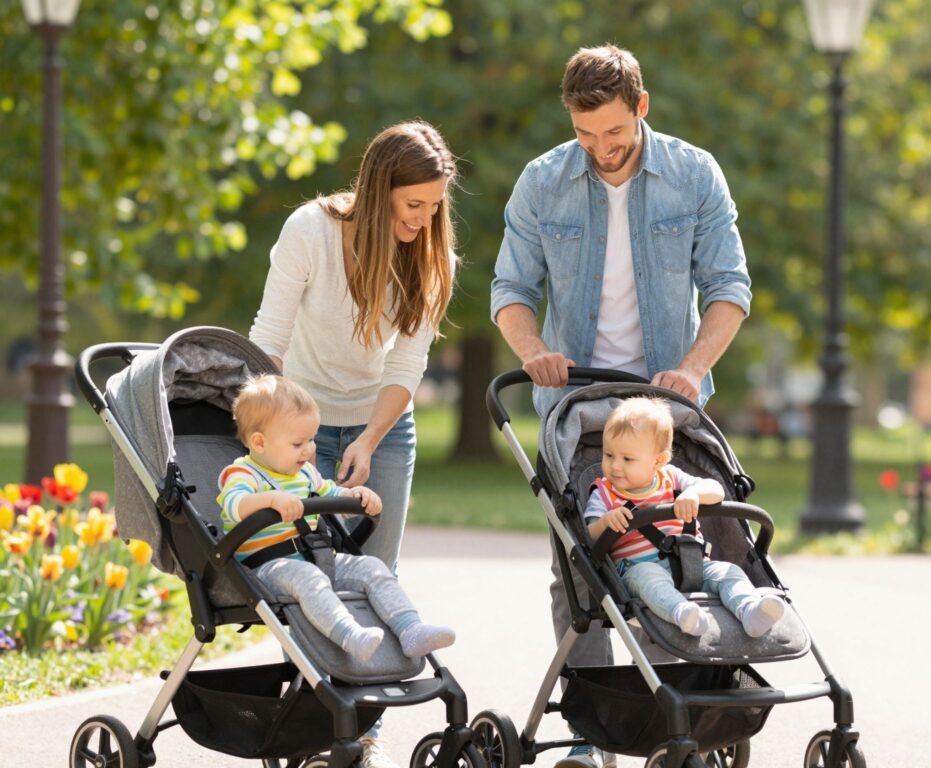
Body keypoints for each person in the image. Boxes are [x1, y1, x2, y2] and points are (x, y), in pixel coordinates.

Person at [489, 45, 752, 768]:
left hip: (667, 407)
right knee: (579, 567)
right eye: (584, 135)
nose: (601, 150)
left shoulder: (693, 174)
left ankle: (678, 713)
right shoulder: (543, 182)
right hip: (575, 406)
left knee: (681, 552)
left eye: (613, 133)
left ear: (641, 107)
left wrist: (694, 367)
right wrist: (531, 346)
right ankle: (591, 726)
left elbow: (731, 286)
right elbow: (510, 289)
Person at [249, 120, 458, 768]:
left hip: (382, 426)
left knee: (374, 575)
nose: (424, 220)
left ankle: (361, 730)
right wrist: (283, 432)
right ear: (377, 193)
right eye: (412, 204)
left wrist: (369, 437)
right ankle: (312, 714)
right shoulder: (309, 232)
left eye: (434, 205)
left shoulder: (432, 256)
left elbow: (405, 369)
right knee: (305, 573)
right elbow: (268, 338)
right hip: (297, 424)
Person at [217, 374, 456, 663]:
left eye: (311, 440)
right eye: (297, 444)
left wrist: (355, 494)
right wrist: (271, 500)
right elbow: (234, 505)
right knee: (308, 577)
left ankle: (410, 630)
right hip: (267, 569)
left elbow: (331, 493)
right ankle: (349, 635)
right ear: (259, 442)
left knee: (371, 566)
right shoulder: (243, 473)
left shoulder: (304, 473)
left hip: (316, 559)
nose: (308, 450)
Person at [585, 397, 784, 639]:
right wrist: (605, 522)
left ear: (658, 461)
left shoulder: (671, 476)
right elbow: (589, 535)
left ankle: (750, 611)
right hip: (637, 570)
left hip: (692, 565)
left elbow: (717, 489)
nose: (615, 466)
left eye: (627, 459)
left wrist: (693, 493)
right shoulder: (604, 493)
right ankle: (682, 613)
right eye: (608, 455)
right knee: (649, 576)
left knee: (728, 572)